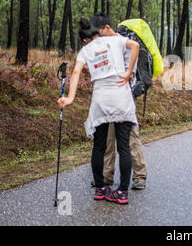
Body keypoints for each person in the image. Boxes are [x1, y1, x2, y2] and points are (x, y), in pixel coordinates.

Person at [58, 18, 140, 205]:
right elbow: (135, 45)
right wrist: (128, 73)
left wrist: (70, 98)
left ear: (86, 40)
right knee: (124, 146)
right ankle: (122, 192)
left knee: (99, 147)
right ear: (98, 32)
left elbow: (76, 72)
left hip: (101, 99)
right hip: (121, 97)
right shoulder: (116, 40)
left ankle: (101, 189)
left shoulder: (85, 50)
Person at [90, 12, 147, 191]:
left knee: (130, 138)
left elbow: (127, 71)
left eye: (100, 32)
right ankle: (106, 176)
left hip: (124, 97)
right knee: (107, 138)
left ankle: (139, 176)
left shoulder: (125, 44)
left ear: (107, 27)